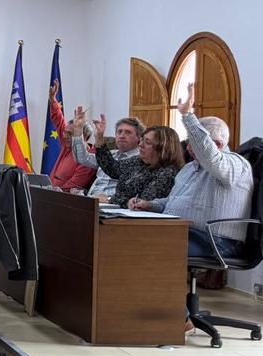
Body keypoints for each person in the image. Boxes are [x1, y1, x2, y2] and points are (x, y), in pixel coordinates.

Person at [130, 83, 253, 259]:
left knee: (142, 244)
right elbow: (173, 201)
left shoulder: (236, 165)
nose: (188, 147)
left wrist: (188, 116)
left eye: (193, 142)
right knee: (124, 235)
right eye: (188, 141)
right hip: (181, 232)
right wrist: (150, 204)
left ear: (217, 145)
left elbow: (209, 156)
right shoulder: (189, 168)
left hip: (216, 242)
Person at [81, 112, 183, 208]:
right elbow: (112, 168)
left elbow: (142, 201)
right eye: (142, 140)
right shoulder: (139, 161)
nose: (140, 145)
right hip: (117, 211)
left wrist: (110, 200)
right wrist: (99, 138)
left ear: (162, 148)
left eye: (147, 142)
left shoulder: (167, 172)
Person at [70, 116, 143, 198]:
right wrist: (77, 130)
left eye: (128, 132)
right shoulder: (108, 155)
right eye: (119, 132)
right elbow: (83, 158)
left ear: (139, 138)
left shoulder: (141, 159)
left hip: (112, 204)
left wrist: (108, 200)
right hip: (91, 200)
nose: (122, 135)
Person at [46, 81, 96, 192]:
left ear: (84, 136)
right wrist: (53, 99)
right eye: (65, 132)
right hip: (51, 194)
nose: (64, 136)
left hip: (65, 200)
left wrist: (53, 192)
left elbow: (74, 186)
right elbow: (59, 121)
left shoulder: (89, 157)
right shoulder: (67, 145)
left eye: (70, 134)